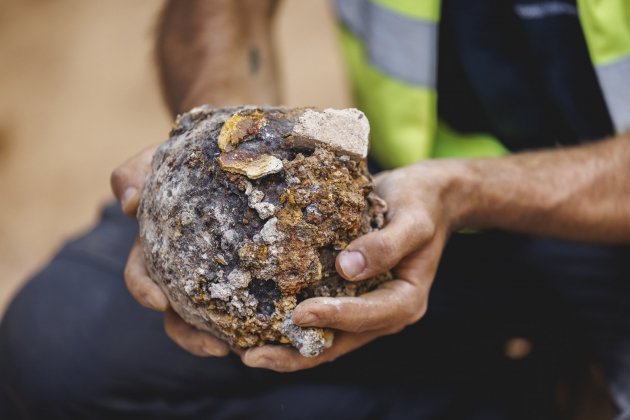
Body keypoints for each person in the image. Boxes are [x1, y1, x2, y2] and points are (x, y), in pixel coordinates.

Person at [2, 0, 630, 418]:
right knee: (60, 345)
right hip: (397, 200)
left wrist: (470, 187)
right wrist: (221, 131)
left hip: (606, 226)